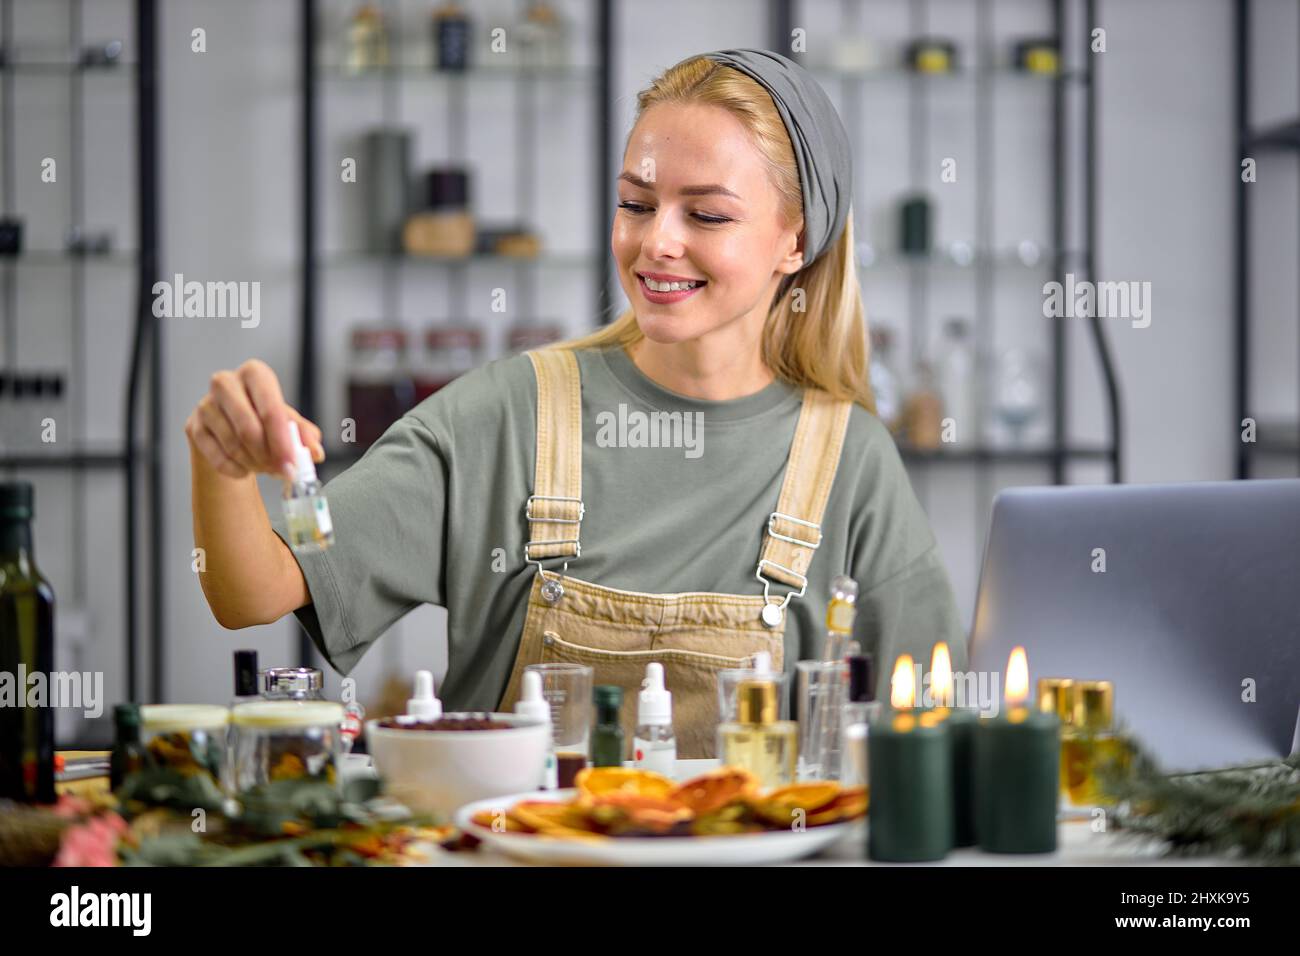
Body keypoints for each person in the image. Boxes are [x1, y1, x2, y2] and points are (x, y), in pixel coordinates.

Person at [186, 49, 966, 757]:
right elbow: (253, 590)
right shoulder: (508, 414)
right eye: (636, 203)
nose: (656, 241)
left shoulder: (849, 460)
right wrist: (221, 466)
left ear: (795, 241)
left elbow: (932, 725)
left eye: (706, 214)